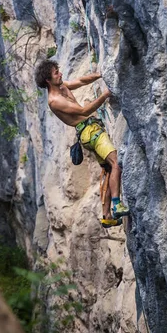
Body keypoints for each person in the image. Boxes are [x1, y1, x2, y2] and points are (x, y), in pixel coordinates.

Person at [35, 59, 129, 228]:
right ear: (48, 80)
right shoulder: (54, 100)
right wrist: (105, 94)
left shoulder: (62, 87)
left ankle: (106, 215)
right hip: (90, 132)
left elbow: (80, 81)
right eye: (56, 73)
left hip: (89, 132)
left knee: (108, 170)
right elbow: (84, 111)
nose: (60, 74)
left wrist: (100, 74)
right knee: (116, 163)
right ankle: (117, 204)